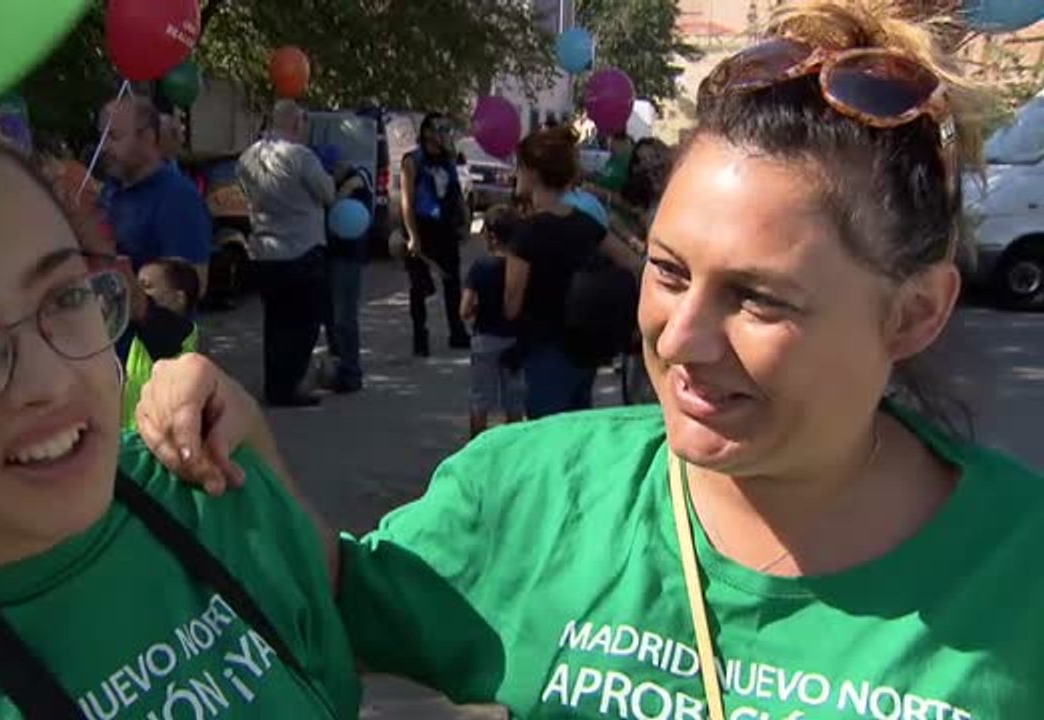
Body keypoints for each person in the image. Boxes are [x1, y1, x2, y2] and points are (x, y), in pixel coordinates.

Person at [135, 1, 1044, 715]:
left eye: (760, 298)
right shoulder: (534, 491)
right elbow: (330, 598)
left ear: (916, 311)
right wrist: (236, 436)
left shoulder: (1019, 570)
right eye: (671, 271)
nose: (682, 340)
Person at [0, 127, 360, 718]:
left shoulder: (200, 491)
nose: (50, 382)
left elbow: (346, 640)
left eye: (66, 297)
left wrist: (255, 439)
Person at [506, 126, 643, 419]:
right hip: (585, 348)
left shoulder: (526, 232)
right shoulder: (585, 223)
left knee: (546, 437)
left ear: (532, 172)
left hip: (544, 351)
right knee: (575, 432)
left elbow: (512, 304)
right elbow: (633, 262)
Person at [237, 100, 335, 407]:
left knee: (275, 323)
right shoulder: (300, 156)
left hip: (264, 252)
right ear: (296, 123)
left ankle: (275, 383)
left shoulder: (247, 157)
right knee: (304, 323)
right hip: (301, 249)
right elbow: (327, 193)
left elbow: (245, 193)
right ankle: (289, 385)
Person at [99, 95, 213, 296]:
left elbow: (192, 288)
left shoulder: (178, 198)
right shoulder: (110, 190)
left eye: (114, 136)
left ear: (148, 137)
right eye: (102, 136)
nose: (104, 147)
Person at [401, 112, 471, 357]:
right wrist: (412, 235)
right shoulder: (413, 160)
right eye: (440, 129)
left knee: (452, 282)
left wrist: (465, 219)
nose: (444, 134)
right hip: (422, 226)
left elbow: (456, 192)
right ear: (427, 132)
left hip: (445, 228)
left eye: (447, 129)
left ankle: (457, 331)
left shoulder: (447, 160)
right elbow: (407, 201)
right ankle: (420, 336)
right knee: (418, 286)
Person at [459, 205, 526, 439]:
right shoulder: (521, 266)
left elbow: (464, 310)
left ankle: (475, 447)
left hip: (485, 338)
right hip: (515, 340)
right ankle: (511, 450)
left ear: (491, 236)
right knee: (514, 401)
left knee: (480, 398)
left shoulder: (481, 267)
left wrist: (479, 307)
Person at [120, 257, 203, 428]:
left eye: (147, 286)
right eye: (137, 285)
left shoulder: (179, 331)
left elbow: (139, 305)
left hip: (159, 438)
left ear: (179, 298)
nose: (138, 292)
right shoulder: (136, 330)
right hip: (130, 436)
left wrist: (113, 263)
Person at [325, 162, 374, 394]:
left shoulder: (358, 180)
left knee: (343, 317)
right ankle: (340, 366)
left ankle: (350, 372)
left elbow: (363, 180)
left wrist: (343, 190)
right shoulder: (338, 181)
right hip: (328, 254)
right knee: (333, 317)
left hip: (347, 257)